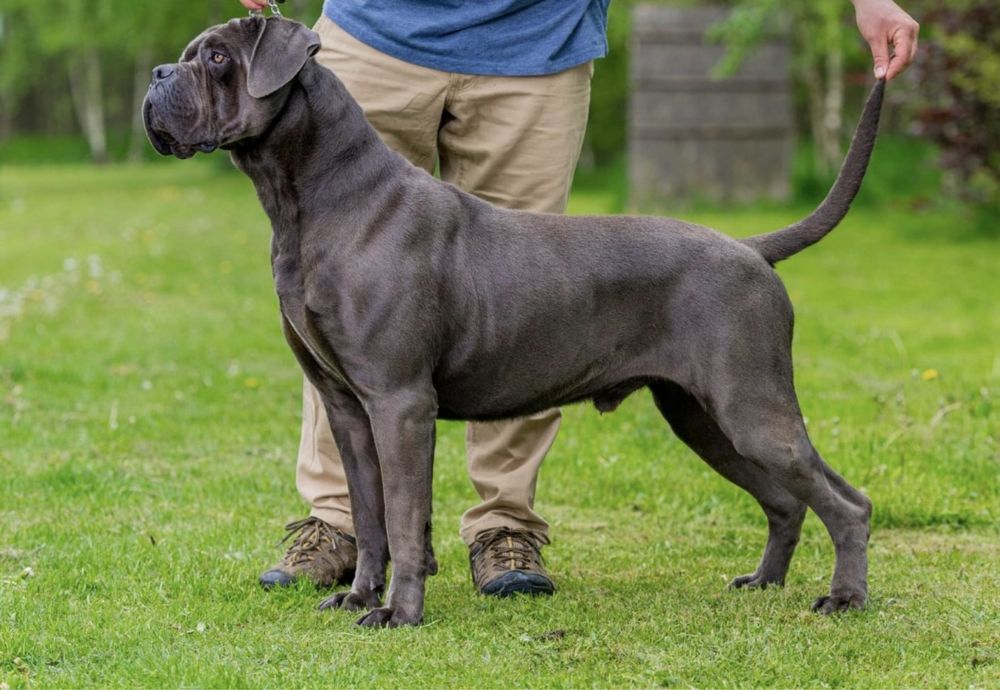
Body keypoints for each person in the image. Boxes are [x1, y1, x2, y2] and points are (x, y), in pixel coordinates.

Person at [238, 0, 919, 598]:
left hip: (538, 46)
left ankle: (506, 529)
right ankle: (340, 528)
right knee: (352, 318)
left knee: (526, 309)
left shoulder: (713, 276)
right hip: (375, 29)